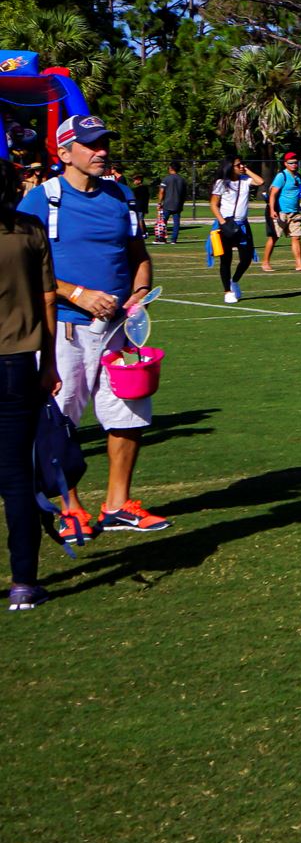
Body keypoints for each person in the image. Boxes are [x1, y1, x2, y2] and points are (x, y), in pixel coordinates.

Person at [20, 115, 164, 536]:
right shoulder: (41, 200)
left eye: (104, 143)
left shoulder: (121, 196)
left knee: (131, 412)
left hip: (120, 329)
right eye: (91, 144)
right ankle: (68, 508)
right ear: (64, 153)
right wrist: (77, 293)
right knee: (59, 421)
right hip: (64, 328)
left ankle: (118, 505)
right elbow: (23, 266)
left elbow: (138, 254)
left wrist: (139, 292)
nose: (101, 151)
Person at [0, 159, 58, 608]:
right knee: (16, 476)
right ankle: (23, 580)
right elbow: (47, 300)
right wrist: (51, 361)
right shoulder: (31, 229)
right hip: (18, 361)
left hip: (17, 360)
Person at [210, 153, 257, 303]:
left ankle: (235, 280)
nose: (241, 166)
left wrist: (246, 170)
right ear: (230, 167)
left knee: (246, 258)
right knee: (226, 259)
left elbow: (260, 181)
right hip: (226, 224)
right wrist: (222, 222)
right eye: (238, 165)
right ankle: (227, 291)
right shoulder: (221, 183)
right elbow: (213, 204)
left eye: (242, 164)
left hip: (242, 224)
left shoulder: (245, 180)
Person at [263, 150, 301, 274]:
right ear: (285, 164)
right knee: (274, 237)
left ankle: (299, 264)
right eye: (291, 163)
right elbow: (273, 194)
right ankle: (265, 262)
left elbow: (300, 194)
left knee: (296, 237)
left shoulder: (298, 176)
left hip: (294, 212)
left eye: (295, 163)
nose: (294, 165)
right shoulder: (282, 176)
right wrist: (272, 210)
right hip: (281, 211)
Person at [154, 160, 185, 244]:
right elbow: (184, 193)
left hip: (167, 204)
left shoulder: (166, 179)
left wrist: (159, 203)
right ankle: (173, 240)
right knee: (176, 223)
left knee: (162, 222)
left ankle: (161, 239)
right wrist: (181, 203)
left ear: (170, 168)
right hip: (177, 204)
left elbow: (161, 191)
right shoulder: (182, 180)